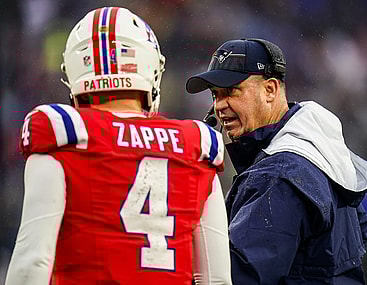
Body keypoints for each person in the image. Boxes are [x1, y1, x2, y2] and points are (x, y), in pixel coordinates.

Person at [6, 7, 232, 285]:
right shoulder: (198, 142)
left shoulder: (65, 131)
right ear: (151, 67)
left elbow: (33, 263)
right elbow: (216, 278)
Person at [186, 38, 367, 284]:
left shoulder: (279, 174)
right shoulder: (322, 151)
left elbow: (238, 277)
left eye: (231, 91)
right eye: (215, 95)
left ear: (270, 90)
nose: (219, 106)